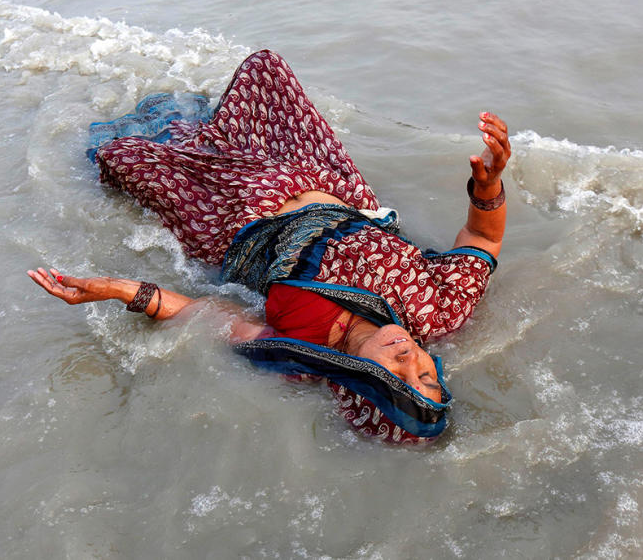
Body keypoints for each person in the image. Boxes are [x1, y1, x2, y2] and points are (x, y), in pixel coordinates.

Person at [28, 50, 510, 443]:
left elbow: (205, 314)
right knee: (266, 69)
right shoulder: (439, 310)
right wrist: (488, 185)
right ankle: (216, 135)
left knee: (123, 157)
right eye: (425, 376)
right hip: (325, 184)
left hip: (234, 219)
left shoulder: (296, 352)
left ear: (362, 386)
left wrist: (116, 288)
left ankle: (197, 143)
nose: (411, 360)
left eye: (395, 376)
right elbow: (483, 237)